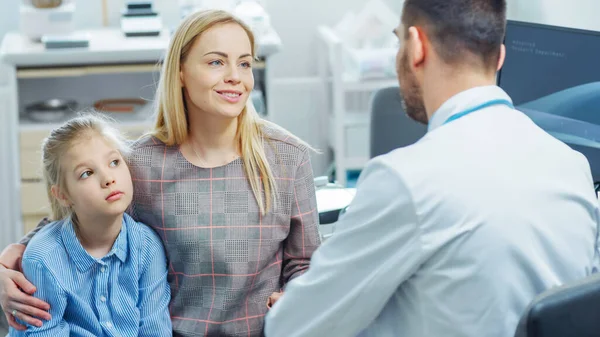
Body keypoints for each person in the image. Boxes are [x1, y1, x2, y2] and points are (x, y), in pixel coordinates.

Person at [264, 0, 600, 336]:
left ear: (417, 46)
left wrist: (294, 306)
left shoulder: (405, 179)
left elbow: (292, 328)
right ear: (500, 56)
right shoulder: (573, 167)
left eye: (399, 42)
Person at [0, 9, 320, 337]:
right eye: (216, 62)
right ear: (180, 72)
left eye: (244, 63)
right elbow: (79, 216)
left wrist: (295, 296)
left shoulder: (286, 157)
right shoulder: (142, 164)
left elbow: (306, 264)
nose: (235, 76)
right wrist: (10, 260)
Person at [6, 113, 172, 336]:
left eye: (114, 162)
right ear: (63, 195)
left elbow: (155, 328)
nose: (108, 179)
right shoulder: (43, 258)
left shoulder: (147, 247)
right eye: (87, 173)